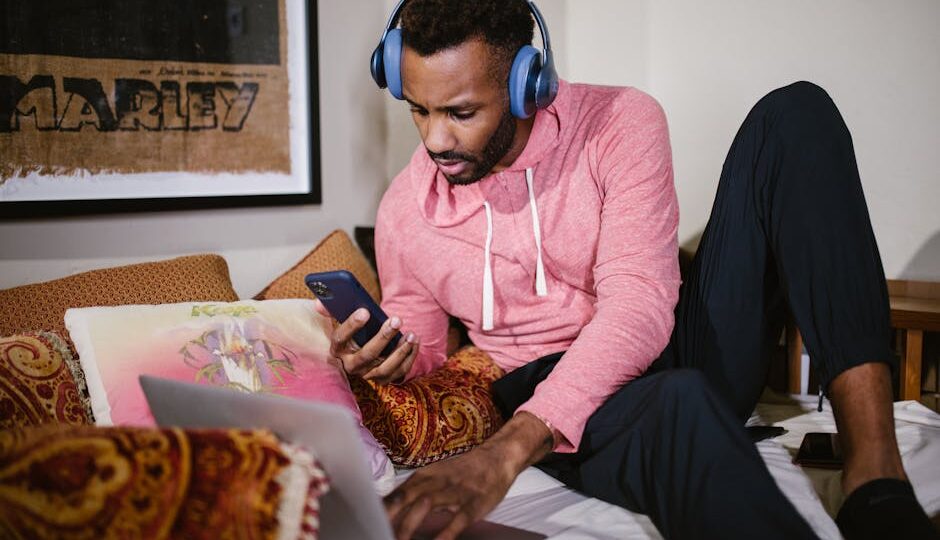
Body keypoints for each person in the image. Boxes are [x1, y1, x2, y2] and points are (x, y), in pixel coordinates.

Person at [317, 1, 939, 539]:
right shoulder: (405, 210)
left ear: (525, 85)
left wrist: (504, 454)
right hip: (552, 388)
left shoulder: (619, 121)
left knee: (797, 113)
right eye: (418, 110)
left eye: (459, 112)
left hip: (666, 342)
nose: (434, 140)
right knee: (677, 405)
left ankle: (875, 473)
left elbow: (640, 304)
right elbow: (425, 348)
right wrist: (386, 358)